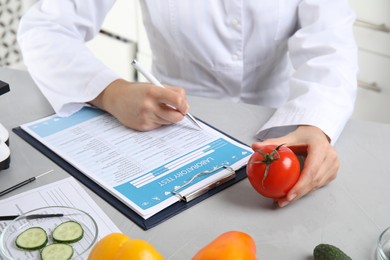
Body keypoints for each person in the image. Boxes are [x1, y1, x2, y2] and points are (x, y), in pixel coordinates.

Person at [17, 0, 358, 207]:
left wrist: (316, 124)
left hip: (280, 126)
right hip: (167, 120)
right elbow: (45, 28)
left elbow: (332, 45)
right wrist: (110, 92)